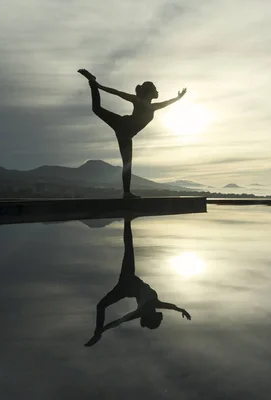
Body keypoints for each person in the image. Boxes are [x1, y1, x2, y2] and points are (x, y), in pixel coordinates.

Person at [78, 69, 187, 198]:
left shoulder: (153, 107)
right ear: (150, 92)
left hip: (126, 135)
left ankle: (126, 193)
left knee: (127, 164)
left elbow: (167, 103)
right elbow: (117, 93)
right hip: (122, 124)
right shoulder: (137, 100)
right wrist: (99, 86)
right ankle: (92, 81)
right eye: (156, 89)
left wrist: (178, 98)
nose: (158, 91)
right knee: (96, 109)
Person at [84, 217, 191, 347]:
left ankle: (127, 219)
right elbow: (171, 306)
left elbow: (120, 321)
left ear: (152, 318)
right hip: (124, 287)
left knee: (129, 248)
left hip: (128, 280)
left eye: (159, 320)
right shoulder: (154, 305)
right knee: (101, 306)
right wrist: (181, 310)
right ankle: (127, 219)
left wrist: (102, 330)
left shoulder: (147, 308)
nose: (162, 318)